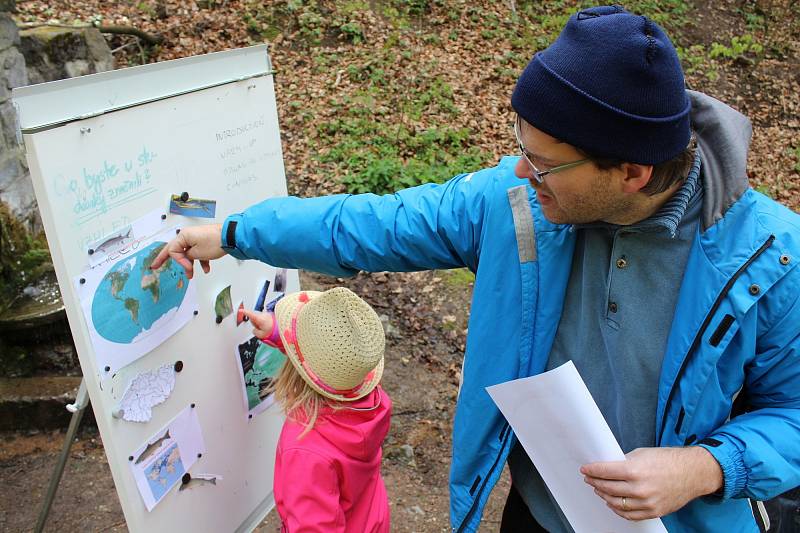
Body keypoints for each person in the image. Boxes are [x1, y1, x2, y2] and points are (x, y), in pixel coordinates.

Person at [152, 5, 800, 532]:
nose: (521, 171)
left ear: (630, 172)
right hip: (537, 514)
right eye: (523, 145)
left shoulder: (772, 259)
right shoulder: (515, 203)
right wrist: (235, 233)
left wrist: (707, 467)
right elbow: (371, 225)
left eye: (544, 162)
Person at [245, 287, 391, 532]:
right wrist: (278, 334)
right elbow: (329, 364)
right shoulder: (372, 400)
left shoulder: (304, 449)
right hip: (371, 520)